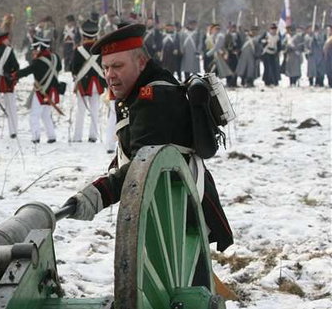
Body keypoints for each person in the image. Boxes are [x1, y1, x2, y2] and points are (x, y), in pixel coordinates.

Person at [66, 24, 233, 252]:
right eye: (105, 68)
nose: (109, 75)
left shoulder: (153, 98)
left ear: (141, 62)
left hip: (179, 206)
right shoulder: (135, 90)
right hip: (164, 198)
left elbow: (141, 166)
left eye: (117, 66)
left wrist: (96, 195)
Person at [16, 36, 61, 143]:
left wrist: (14, 75)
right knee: (46, 115)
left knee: (34, 115)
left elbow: (27, 71)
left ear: (40, 48)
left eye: (35, 49)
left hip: (42, 91)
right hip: (53, 91)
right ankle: (51, 136)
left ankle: (36, 137)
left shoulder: (38, 61)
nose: (34, 52)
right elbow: (59, 68)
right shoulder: (56, 58)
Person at [70, 19, 105, 142]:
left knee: (81, 111)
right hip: (97, 84)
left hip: (83, 83)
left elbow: (73, 69)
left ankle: (77, 137)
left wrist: (75, 76)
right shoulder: (101, 50)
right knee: (95, 110)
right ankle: (93, 136)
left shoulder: (78, 50)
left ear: (84, 35)